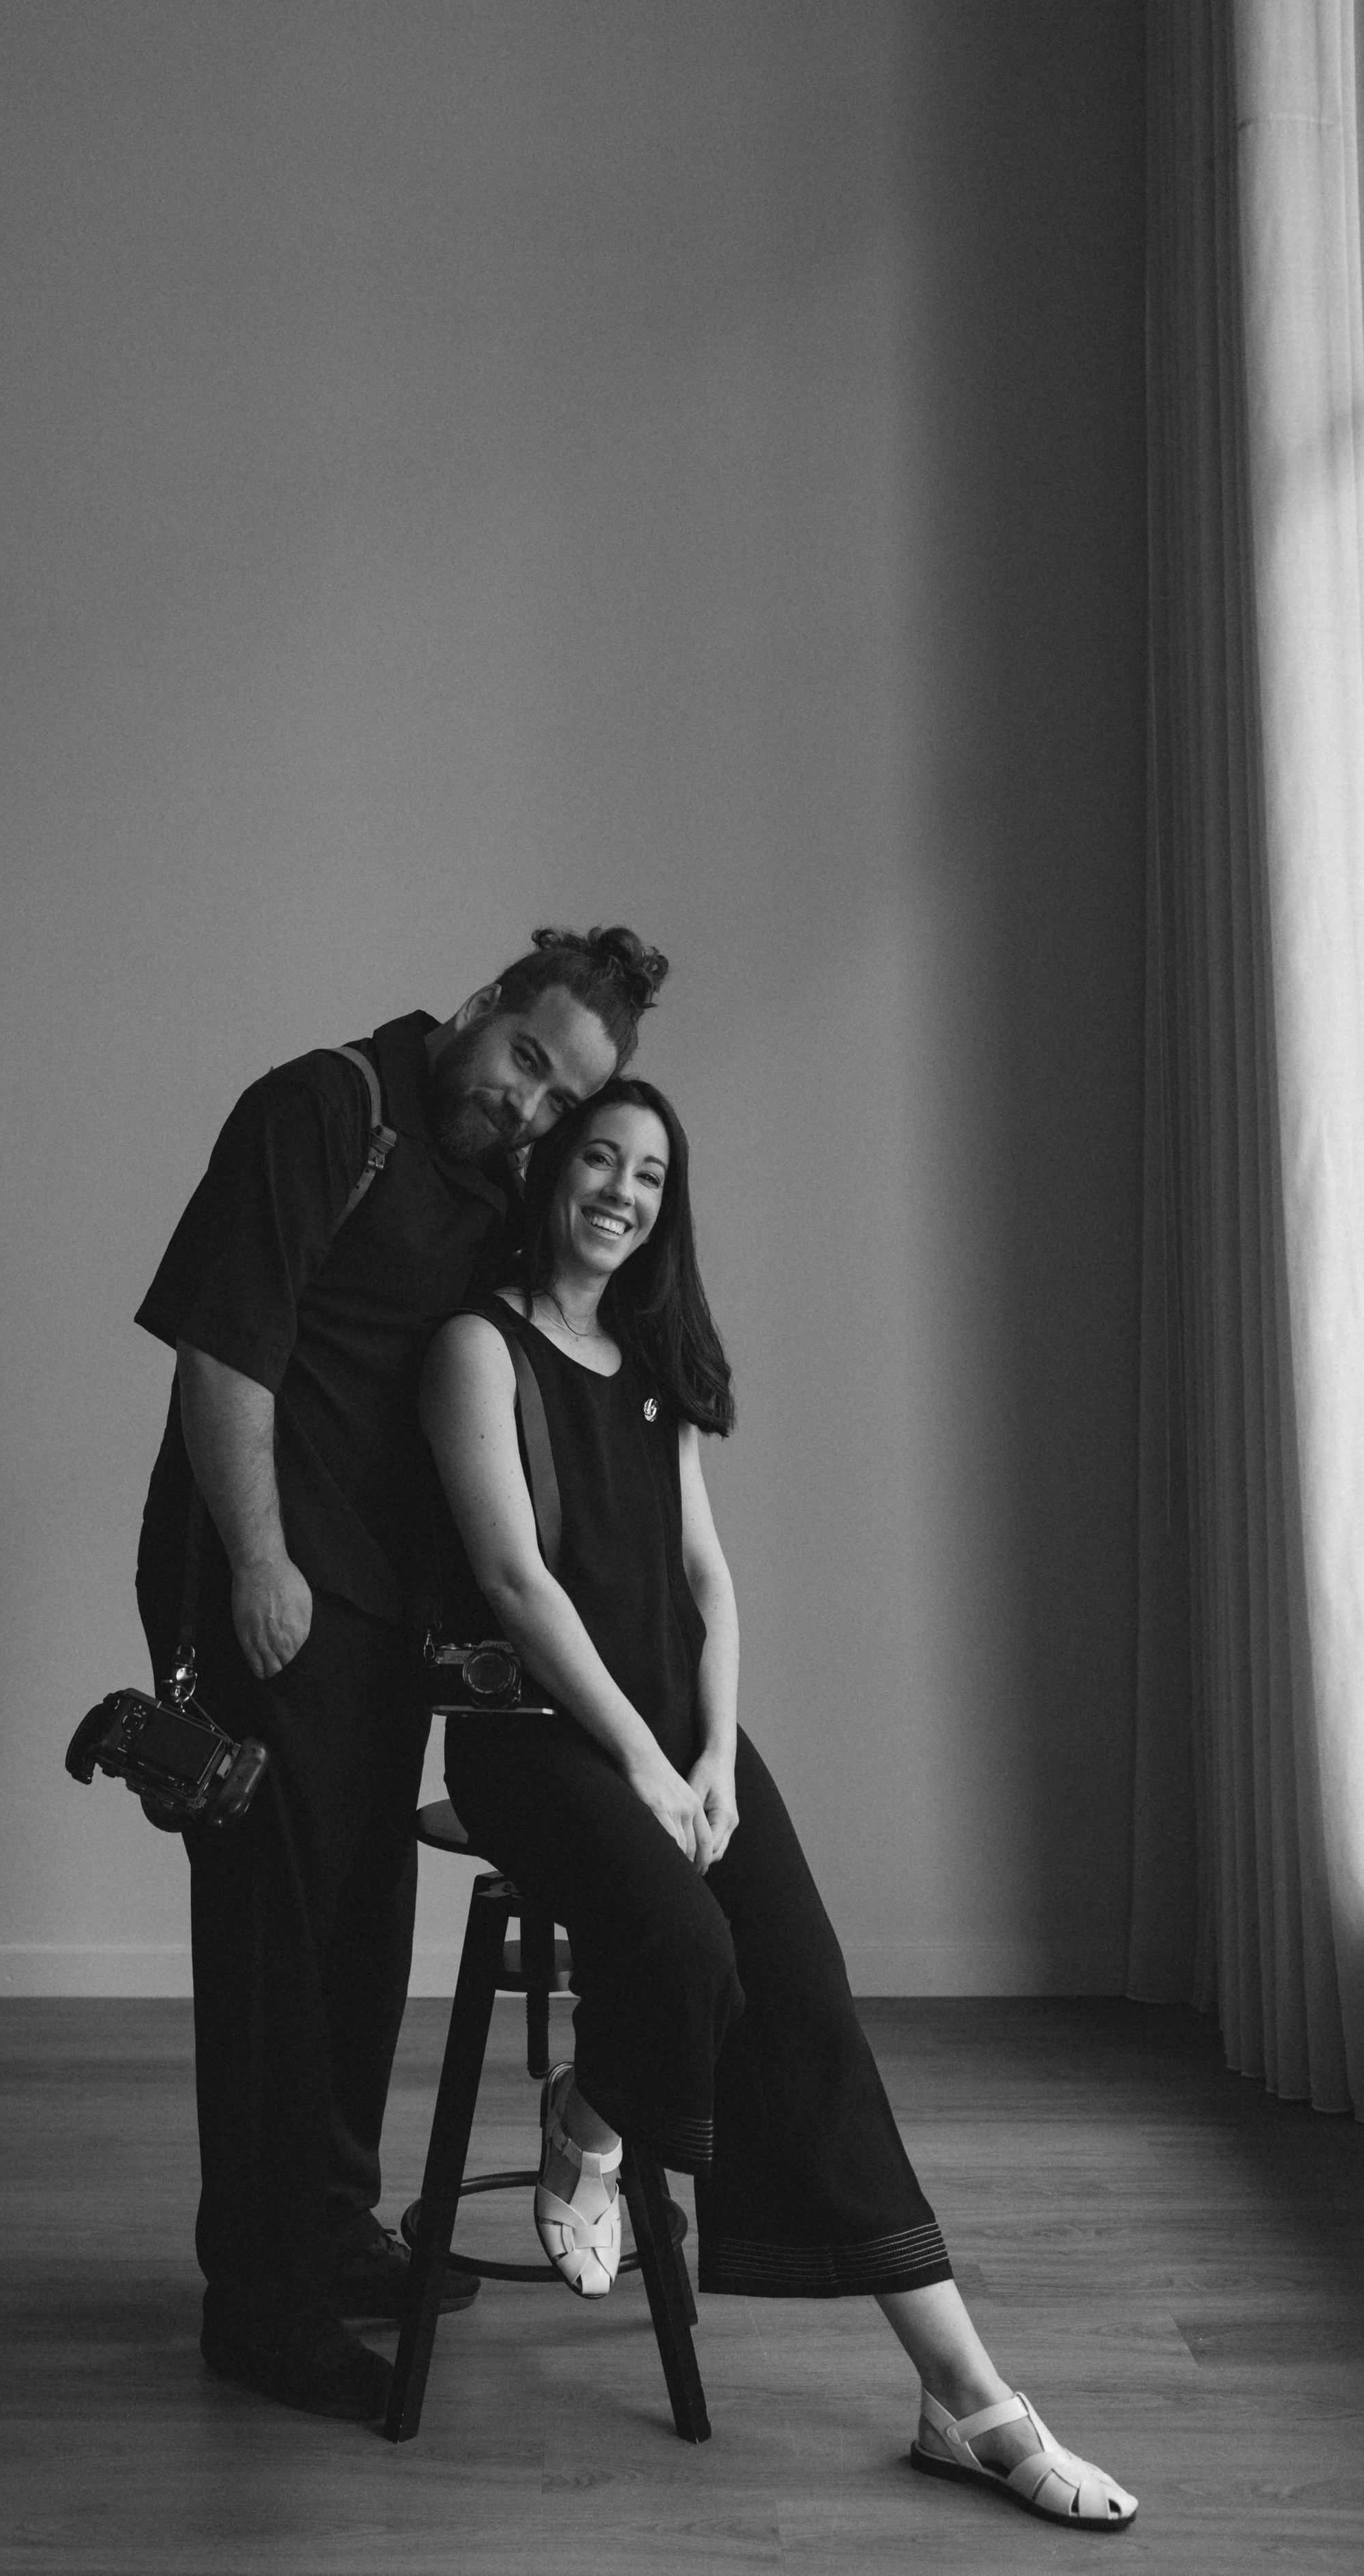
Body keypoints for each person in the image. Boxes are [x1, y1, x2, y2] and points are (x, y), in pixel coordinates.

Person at [418, 1076, 1139, 2530]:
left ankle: (966, 2401)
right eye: (600, 1161)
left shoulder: (650, 1356)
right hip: (533, 1744)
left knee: (806, 2011)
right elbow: (510, 1578)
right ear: (552, 1169)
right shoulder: (471, 1346)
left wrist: (712, 1748)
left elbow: (701, 1578)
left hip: (679, 1741)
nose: (622, 1191)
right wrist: (632, 1751)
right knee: (687, 1959)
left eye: (649, 1175)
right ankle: (589, 2128)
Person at [131, 927, 668, 2423]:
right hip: (267, 1589)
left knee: (357, 1929)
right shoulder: (318, 1111)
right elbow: (221, 1359)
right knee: (272, 1944)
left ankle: (326, 2229)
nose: (527, 1110)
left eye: (560, 1100)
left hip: (373, 1617)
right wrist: (256, 1562)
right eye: (523, 1063)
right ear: (483, 1003)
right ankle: (261, 2303)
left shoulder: (490, 1178)